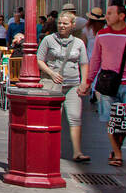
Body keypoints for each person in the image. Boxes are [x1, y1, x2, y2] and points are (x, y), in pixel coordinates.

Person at [83, 5, 126, 168]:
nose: (107, 16)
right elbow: (96, 60)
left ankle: (116, 148)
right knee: (110, 120)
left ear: (121, 16)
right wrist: (88, 81)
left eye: (110, 13)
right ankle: (117, 153)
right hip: (107, 84)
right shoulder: (102, 35)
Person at [37, 9, 90, 163]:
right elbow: (39, 59)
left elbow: (84, 63)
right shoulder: (48, 40)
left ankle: (77, 152)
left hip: (73, 84)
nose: (61, 26)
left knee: (75, 118)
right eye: (60, 23)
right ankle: (51, 149)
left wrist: (84, 82)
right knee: (53, 119)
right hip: (54, 85)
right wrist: (51, 73)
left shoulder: (79, 43)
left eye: (65, 23)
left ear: (72, 25)